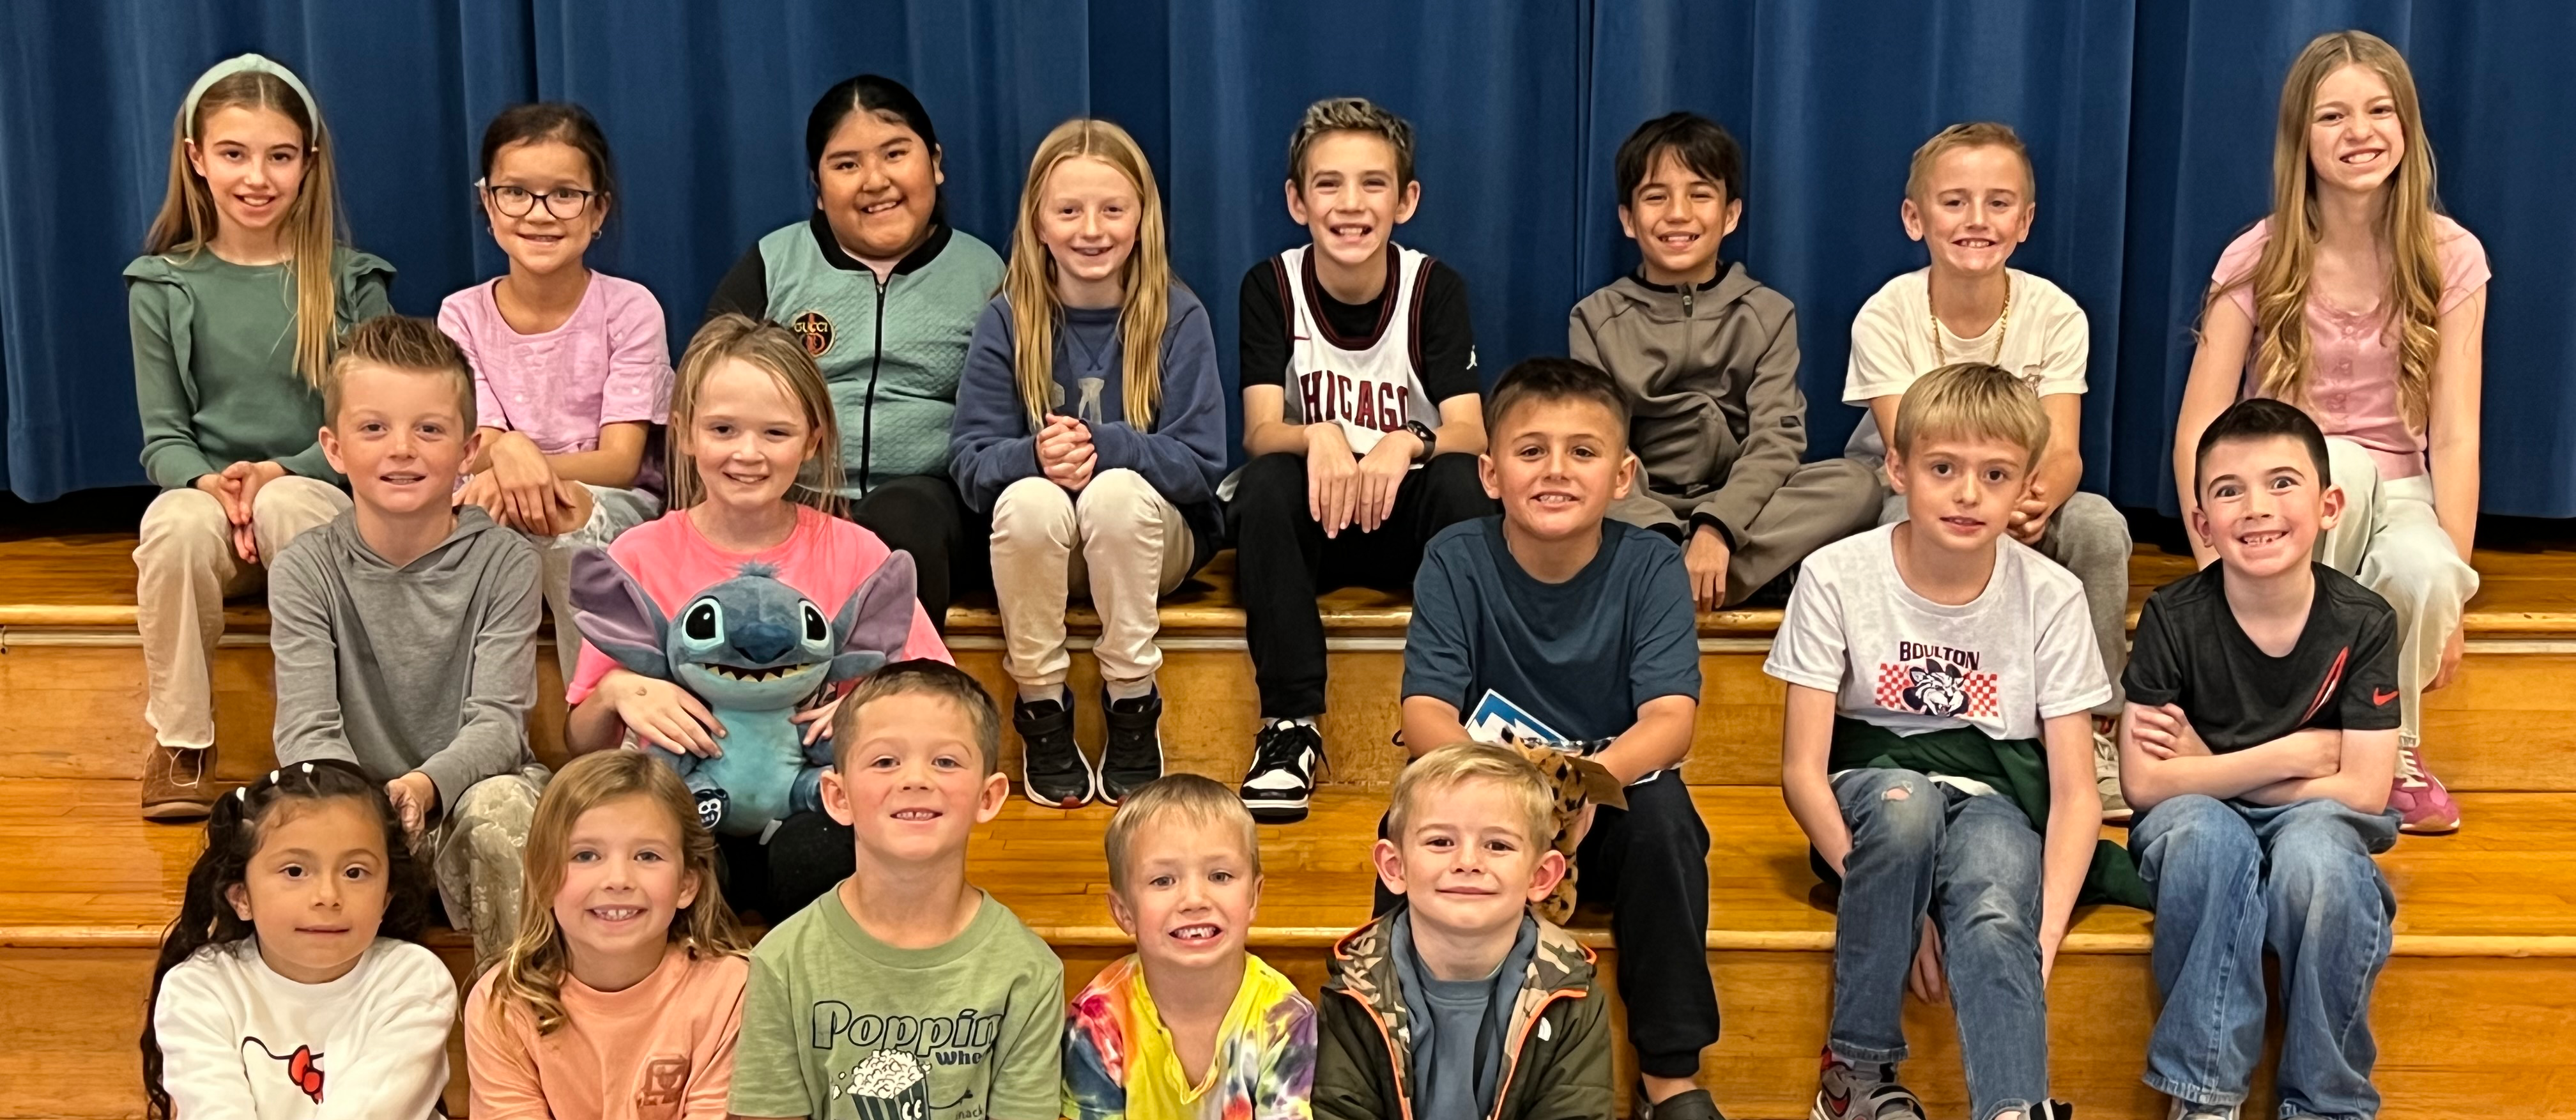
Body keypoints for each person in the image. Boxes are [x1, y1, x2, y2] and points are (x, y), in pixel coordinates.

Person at [1770, 363, 2115, 1120]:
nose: (1967, 493)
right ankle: (1854, 1077)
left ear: (2028, 483)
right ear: (1898, 469)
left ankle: (2014, 1106)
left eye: (1995, 474)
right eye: (1943, 469)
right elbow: (1801, 771)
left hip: (1995, 800)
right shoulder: (1834, 575)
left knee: (1994, 908)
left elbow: (2078, 794)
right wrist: (1894, 906)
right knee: (1907, 806)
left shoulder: (2051, 594)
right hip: (1871, 797)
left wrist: (2039, 932)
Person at [2172, 29, 2487, 836]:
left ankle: (2392, 744)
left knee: (2422, 565)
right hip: (2285, 483)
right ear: (2300, 139)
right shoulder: (2259, 254)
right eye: (2333, 116)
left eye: (2380, 111)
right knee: (2331, 458)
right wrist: (2212, 559)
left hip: (2400, 484)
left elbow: (2453, 433)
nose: (2360, 133)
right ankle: (2290, 721)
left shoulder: (2452, 257)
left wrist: (2450, 592)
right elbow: (2201, 423)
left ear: (2408, 128)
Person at [1398, 357, 1721, 1119]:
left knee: (1668, 829)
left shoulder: (1649, 566)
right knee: (1410, 829)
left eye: (1584, 451)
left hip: (1604, 806)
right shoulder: (1455, 559)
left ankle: (1670, 1077)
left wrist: (1578, 784)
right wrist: (1508, 799)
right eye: (1531, 450)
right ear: (1489, 471)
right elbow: (1425, 715)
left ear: (1623, 474)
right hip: (1491, 805)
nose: (1557, 471)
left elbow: (1672, 718)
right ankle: (1405, 1045)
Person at [562, 314, 949, 921]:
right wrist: (617, 690)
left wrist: (873, 708)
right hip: (681, 811)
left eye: (775, 432)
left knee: (817, 852)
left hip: (811, 809)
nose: (748, 453)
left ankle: (800, 1003)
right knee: (661, 854)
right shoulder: (639, 555)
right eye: (723, 429)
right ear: (685, 434)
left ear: (813, 438)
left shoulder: (856, 553)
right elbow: (582, 743)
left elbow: (941, 700)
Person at [1841, 121, 2133, 823]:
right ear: (1915, 218)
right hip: (1925, 487)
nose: (1977, 220)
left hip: (2020, 486)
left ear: (2026, 221)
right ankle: (1922, 720)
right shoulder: (1887, 314)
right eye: (1954, 202)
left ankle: (2095, 725)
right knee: (1894, 528)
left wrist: (2030, 502)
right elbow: (1908, 452)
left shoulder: (2056, 313)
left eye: (1999, 203)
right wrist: (1980, 507)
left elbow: (2062, 451)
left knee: (2097, 523)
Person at [128, 52, 392, 819]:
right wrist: (211, 484)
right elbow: (164, 436)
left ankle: (324, 739)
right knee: (171, 524)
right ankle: (183, 742)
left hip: (312, 500)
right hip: (216, 509)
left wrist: (282, 471)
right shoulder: (162, 285)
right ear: (196, 160)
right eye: (234, 154)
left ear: (308, 165)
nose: (257, 177)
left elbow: (371, 421)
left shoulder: (349, 282)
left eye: (280, 156)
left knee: (289, 509)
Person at [2122, 399, 2403, 1120]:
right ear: (2200, 522)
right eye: (2228, 490)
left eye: (2283, 483)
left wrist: (2210, 763)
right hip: (2204, 819)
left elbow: (2366, 790)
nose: (2257, 508)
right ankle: (2206, 1096)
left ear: (2329, 504)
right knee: (2209, 839)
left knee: (2322, 864)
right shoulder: (2171, 616)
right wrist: (2298, 754)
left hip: (2315, 821)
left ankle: (2325, 1104)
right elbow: (2146, 782)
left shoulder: (2365, 620)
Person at [1229, 96, 1496, 824]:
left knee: (1460, 480)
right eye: (1328, 184)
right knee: (1266, 481)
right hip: (1315, 523)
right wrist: (1317, 435)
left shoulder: (1433, 287)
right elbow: (1258, 428)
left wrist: (1406, 439)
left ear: (1406, 200)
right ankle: (1290, 726)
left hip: (1404, 521)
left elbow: (1471, 429)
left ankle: (1456, 719)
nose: (1351, 204)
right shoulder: (1271, 285)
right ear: (1296, 200)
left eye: (1374, 183)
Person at [951, 118, 1226, 808]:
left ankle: (1133, 702)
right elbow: (969, 463)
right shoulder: (1008, 320)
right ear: (1038, 222)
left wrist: (1112, 448)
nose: (1092, 229)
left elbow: (1203, 467)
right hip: (1044, 548)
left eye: (1113, 209)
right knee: (1029, 500)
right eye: (1068, 210)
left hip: (1148, 541)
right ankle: (1042, 706)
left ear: (1143, 219)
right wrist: (1033, 456)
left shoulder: (1177, 316)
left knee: (1114, 495)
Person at [267, 315, 548, 968]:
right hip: (355, 811)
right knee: (279, 825)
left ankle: (514, 1028)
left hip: (465, 801)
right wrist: (371, 809)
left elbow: (499, 725)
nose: (402, 449)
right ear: (333, 449)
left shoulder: (505, 561)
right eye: (374, 428)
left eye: (429, 429)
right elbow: (307, 729)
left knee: (503, 808)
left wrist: (423, 789)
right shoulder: (306, 568)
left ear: (468, 448)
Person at [707, 73, 1007, 625]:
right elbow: (708, 386)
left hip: (935, 514)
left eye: (895, 154)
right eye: (846, 165)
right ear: (818, 187)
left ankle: (890, 700)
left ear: (935, 163)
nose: (875, 181)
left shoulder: (987, 274)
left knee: (903, 516)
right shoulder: (775, 262)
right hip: (790, 497)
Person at [1570, 111, 1880, 610]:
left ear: (1731, 215)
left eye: (1699, 194)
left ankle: (1671, 583)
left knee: (1857, 486)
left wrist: (1717, 528)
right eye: (1656, 197)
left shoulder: (1770, 312)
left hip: (1743, 509)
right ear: (1628, 219)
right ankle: (1694, 575)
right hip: (1643, 509)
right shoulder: (1595, 317)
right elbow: (1600, 444)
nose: (1678, 213)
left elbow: (1777, 441)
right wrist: (1663, 533)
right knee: (1575, 488)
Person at [730, 661, 1064, 1120]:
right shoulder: (783, 961)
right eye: (885, 761)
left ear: (988, 797)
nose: (915, 779)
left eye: (945, 761)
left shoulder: (1029, 971)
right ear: (837, 796)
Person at [441, 102, 673, 682]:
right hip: (492, 496)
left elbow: (620, 462)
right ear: (488, 204)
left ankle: (598, 736)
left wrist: (520, 460)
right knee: (466, 530)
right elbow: (479, 442)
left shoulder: (630, 308)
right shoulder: (461, 315)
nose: (539, 213)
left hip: (605, 506)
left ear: (599, 212)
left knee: (566, 530)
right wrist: (505, 457)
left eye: (565, 194)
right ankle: (482, 743)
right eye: (515, 192)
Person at [1314, 743, 1611, 1120]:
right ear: (1394, 866)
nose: (1468, 862)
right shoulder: (1354, 986)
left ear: (1542, 877)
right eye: (1441, 842)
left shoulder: (1571, 990)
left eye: (1497, 845)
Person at [142, 760, 453, 1119]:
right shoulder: (199, 987)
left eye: (355, 872)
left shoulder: (413, 980)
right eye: (295, 871)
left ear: (386, 897)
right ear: (241, 896)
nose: (328, 895)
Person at [468, 749, 754, 1120]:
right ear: (543, 877)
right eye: (586, 856)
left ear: (687, 883)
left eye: (647, 856)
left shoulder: (731, 991)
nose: (618, 880)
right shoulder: (502, 1004)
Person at [1061, 774, 1316, 1119]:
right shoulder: (1099, 1021)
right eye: (1163, 880)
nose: (1195, 900)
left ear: (1254, 897)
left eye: (1220, 876)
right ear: (1124, 912)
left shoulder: (1284, 1018)